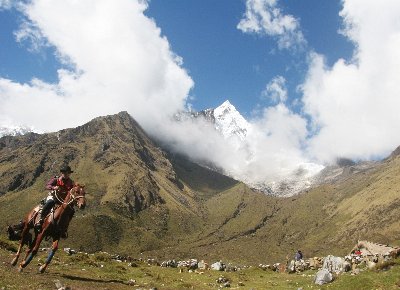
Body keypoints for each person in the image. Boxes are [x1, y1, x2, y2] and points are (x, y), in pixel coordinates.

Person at [35, 165, 75, 231]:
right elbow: (48, 186)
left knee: (72, 210)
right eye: (64, 173)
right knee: (49, 203)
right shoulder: (56, 179)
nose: (65, 174)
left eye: (67, 173)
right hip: (54, 197)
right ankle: (41, 220)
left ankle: (65, 227)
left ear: (69, 173)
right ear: (61, 173)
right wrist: (54, 187)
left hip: (63, 200)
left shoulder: (71, 182)